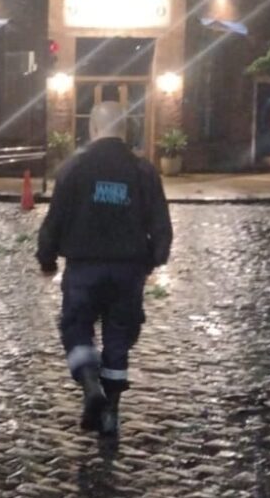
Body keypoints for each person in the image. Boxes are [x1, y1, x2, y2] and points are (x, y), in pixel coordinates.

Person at [37, 101, 173, 437]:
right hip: (128, 271)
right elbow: (161, 225)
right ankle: (110, 410)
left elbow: (54, 220)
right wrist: (153, 259)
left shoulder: (73, 168)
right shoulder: (143, 171)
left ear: (93, 129)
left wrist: (47, 258)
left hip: (83, 268)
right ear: (125, 130)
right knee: (118, 337)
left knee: (76, 327)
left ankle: (90, 387)